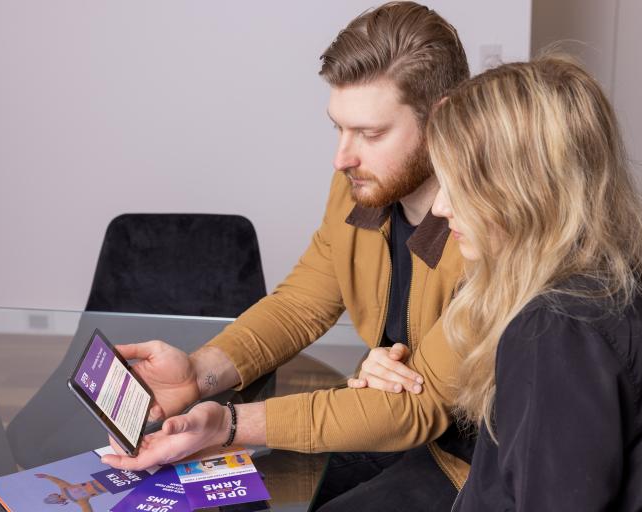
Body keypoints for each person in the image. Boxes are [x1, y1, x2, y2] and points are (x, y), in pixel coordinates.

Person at [101, 3, 474, 510]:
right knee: (222, 498)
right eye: (338, 128)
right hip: (381, 419)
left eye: (370, 133)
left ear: (445, 119)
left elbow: (421, 407)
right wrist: (197, 374)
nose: (342, 157)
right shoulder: (358, 189)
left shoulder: (484, 230)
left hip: (463, 462)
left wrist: (229, 425)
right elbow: (301, 303)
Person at [419, 55, 642, 510]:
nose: (440, 207)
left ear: (522, 190)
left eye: (458, 185)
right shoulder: (607, 282)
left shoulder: (556, 330)